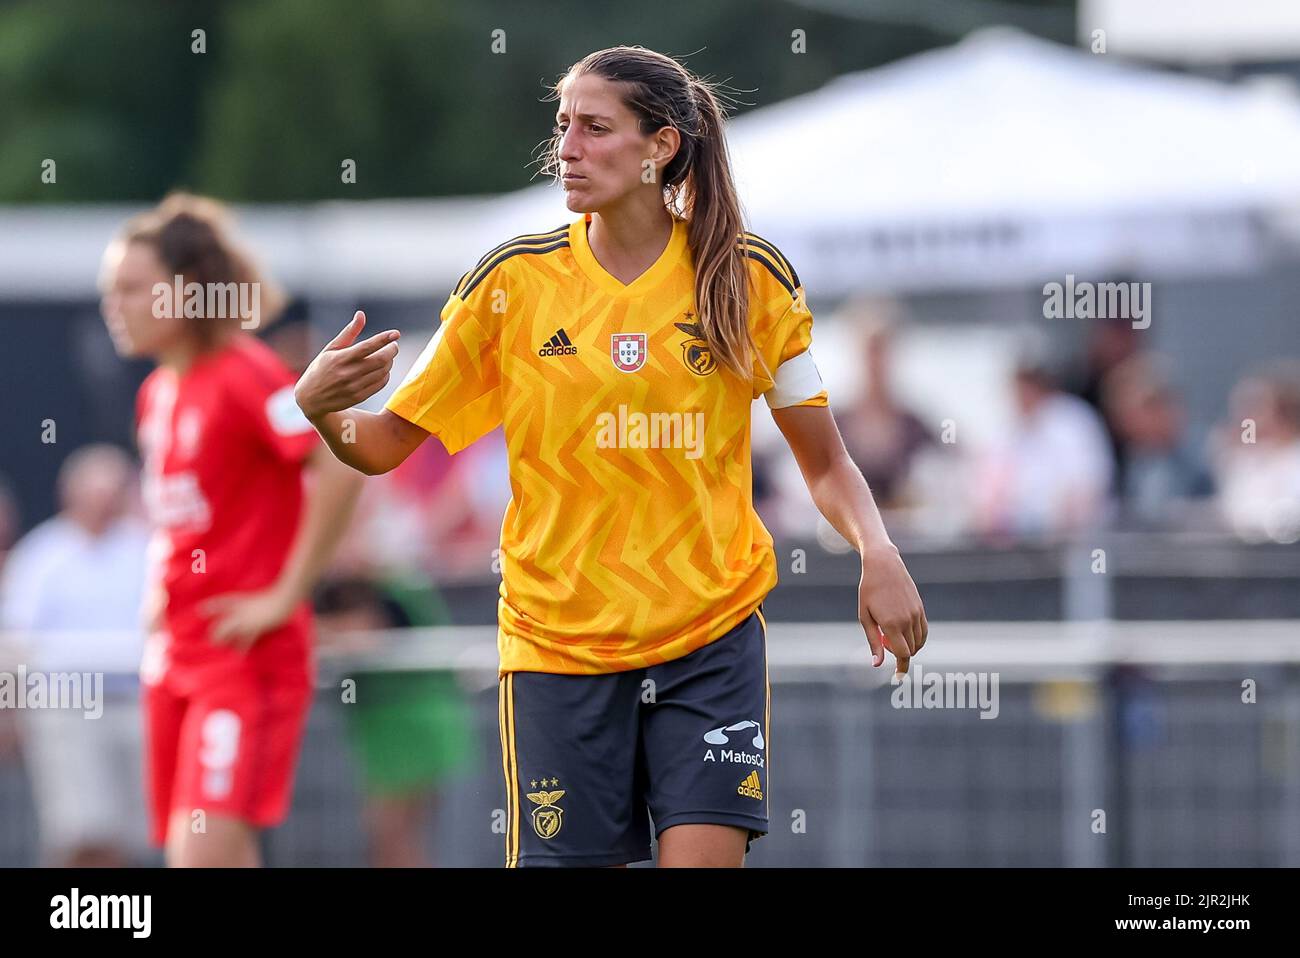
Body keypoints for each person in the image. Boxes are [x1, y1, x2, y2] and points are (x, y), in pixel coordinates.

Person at [293, 46, 927, 868]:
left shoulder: (746, 278)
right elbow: (379, 448)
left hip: (708, 641)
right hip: (558, 652)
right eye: (563, 128)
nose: (567, 149)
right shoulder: (511, 285)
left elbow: (826, 462)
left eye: (595, 129)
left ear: (660, 146)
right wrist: (320, 409)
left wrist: (879, 550)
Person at [98, 193, 363, 867]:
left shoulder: (245, 374)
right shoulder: (157, 392)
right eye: (110, 289)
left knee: (202, 856)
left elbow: (339, 463)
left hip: (242, 661)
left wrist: (285, 593)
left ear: (185, 293)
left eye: (131, 288)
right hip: (177, 656)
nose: (114, 304)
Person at [0, 445, 151, 866]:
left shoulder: (147, 548)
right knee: (82, 828)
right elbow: (15, 641)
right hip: (66, 706)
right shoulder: (41, 555)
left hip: (138, 703)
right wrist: (9, 711)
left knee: (135, 831)